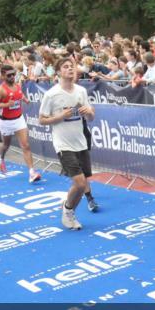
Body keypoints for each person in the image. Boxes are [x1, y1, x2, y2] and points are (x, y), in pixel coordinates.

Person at [39, 57, 97, 229]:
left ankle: (69, 210)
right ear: (58, 72)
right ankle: (68, 211)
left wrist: (89, 112)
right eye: (66, 67)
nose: (70, 69)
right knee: (80, 183)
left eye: (72, 66)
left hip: (80, 142)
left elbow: (91, 116)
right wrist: (60, 116)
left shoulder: (80, 91)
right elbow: (41, 120)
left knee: (81, 184)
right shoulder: (51, 94)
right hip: (63, 143)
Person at [0, 65, 41, 183]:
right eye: (9, 75)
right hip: (6, 121)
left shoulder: (17, 85)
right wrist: (5, 105)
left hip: (18, 119)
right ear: (2, 76)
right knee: (6, 145)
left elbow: (19, 94)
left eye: (13, 74)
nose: (12, 77)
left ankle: (32, 172)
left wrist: (25, 99)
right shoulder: (1, 90)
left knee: (26, 145)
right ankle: (1, 158)